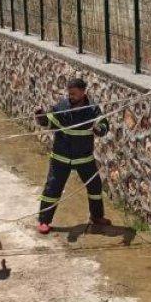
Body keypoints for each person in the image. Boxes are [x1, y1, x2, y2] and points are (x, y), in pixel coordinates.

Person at [34, 77, 111, 235]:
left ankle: (97, 217)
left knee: (95, 187)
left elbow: (104, 125)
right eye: (69, 93)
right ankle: (44, 221)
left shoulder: (92, 110)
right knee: (52, 188)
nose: (71, 96)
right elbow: (48, 122)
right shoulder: (61, 107)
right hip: (61, 157)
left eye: (74, 94)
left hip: (84, 157)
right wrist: (40, 116)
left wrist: (99, 129)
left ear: (83, 92)